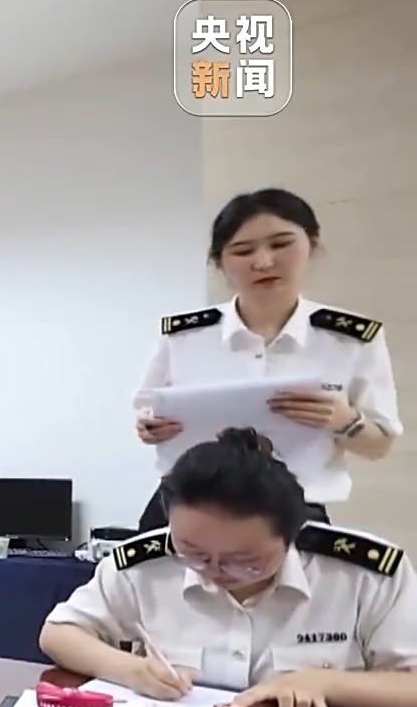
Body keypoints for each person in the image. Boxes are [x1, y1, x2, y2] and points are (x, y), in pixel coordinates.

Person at [40, 427, 416, 707]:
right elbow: (59, 633)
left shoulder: (364, 576)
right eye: (195, 553)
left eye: (244, 560)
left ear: (292, 535)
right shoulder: (145, 566)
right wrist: (132, 670)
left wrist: (322, 683)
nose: (215, 572)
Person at [133, 189, 400, 531]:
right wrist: (150, 428)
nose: (263, 262)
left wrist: (344, 420)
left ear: (312, 245)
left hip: (292, 516)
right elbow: (146, 414)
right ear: (219, 263)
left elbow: (379, 446)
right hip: (187, 508)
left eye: (281, 244)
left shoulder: (350, 339)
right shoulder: (184, 336)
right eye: (243, 251)